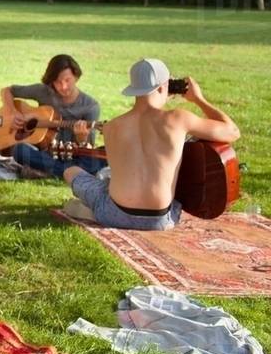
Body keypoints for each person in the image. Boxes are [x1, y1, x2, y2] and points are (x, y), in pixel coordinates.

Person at [63, 59, 240, 231]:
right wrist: (198, 99)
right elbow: (233, 132)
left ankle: (92, 210)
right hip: (161, 220)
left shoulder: (111, 127)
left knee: (71, 172)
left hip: (113, 214)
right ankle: (93, 210)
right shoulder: (178, 119)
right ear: (164, 87)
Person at [0, 54, 103, 178]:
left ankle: (49, 171)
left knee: (102, 156)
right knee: (19, 150)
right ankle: (68, 173)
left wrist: (82, 138)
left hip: (73, 156)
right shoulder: (43, 91)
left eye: (67, 80)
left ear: (76, 76)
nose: (63, 87)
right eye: (57, 82)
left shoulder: (90, 106)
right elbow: (7, 91)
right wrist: (13, 112)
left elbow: (87, 149)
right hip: (44, 153)